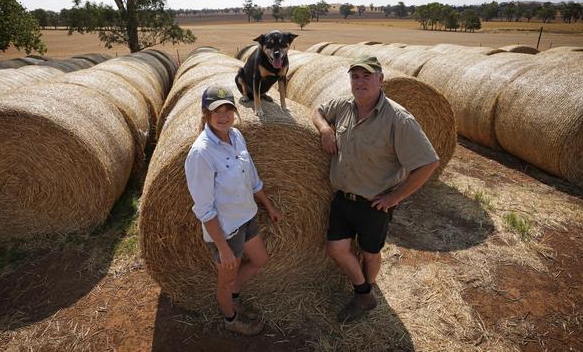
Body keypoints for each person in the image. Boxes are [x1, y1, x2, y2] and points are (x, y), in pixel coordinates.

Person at [312, 55, 440, 323]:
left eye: (367, 76)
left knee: (370, 253)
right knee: (336, 249)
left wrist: (396, 197)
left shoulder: (398, 118)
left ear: (380, 80)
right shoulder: (344, 106)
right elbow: (318, 111)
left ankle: (364, 293)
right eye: (355, 76)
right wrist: (325, 129)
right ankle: (364, 293)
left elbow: (429, 163)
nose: (360, 82)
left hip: (374, 203)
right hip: (343, 198)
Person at [185, 85, 282, 335]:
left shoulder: (237, 136)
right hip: (226, 230)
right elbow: (204, 209)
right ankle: (231, 319)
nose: (224, 115)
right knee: (226, 279)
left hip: (247, 218)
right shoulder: (201, 153)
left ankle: (235, 297)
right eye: (217, 110)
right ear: (206, 112)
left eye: (228, 109)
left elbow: (252, 179)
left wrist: (268, 206)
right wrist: (223, 248)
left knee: (260, 260)